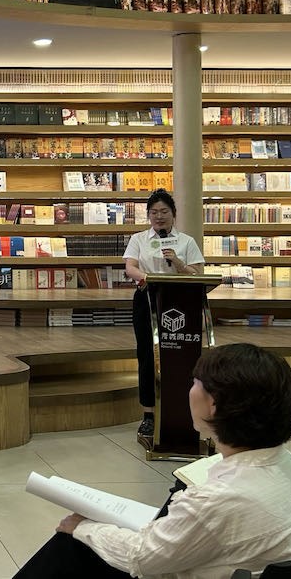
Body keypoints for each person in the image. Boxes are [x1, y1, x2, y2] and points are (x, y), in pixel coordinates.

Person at [14, 343, 291, 578]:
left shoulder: (218, 501)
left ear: (214, 405)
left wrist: (82, 527)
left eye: (195, 383)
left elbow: (141, 558)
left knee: (74, 544)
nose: (189, 390)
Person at [122, 189, 204, 441]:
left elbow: (197, 273)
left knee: (180, 355)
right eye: (154, 212)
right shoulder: (139, 239)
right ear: (148, 215)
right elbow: (130, 267)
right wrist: (147, 278)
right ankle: (148, 414)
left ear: (173, 214)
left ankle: (182, 410)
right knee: (148, 356)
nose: (159, 216)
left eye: (164, 211)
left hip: (180, 302)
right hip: (147, 298)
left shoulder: (186, 241)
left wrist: (177, 263)